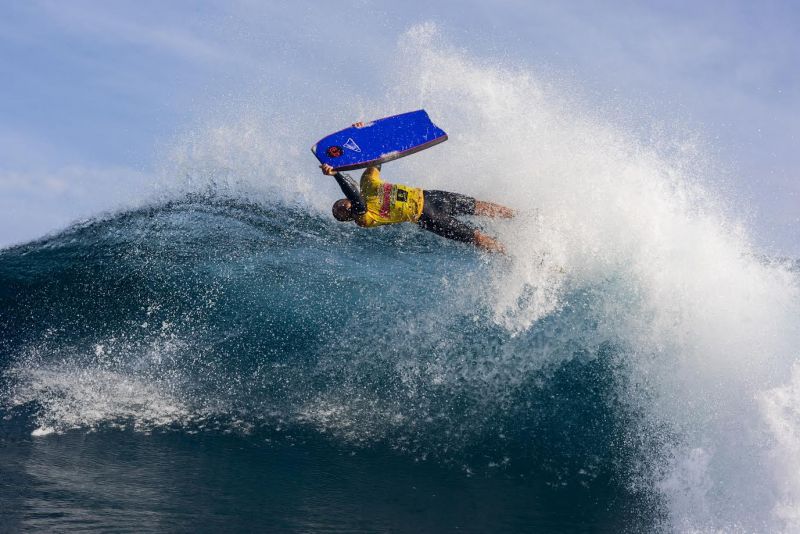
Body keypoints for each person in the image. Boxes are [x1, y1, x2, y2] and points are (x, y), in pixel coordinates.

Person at [320, 123, 514, 253]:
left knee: (479, 207)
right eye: (341, 214)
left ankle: (519, 216)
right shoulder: (364, 218)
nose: (343, 208)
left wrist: (360, 135)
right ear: (348, 219)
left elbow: (377, 156)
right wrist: (336, 175)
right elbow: (357, 200)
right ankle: (512, 255)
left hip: (429, 196)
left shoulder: (368, 184)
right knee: (477, 237)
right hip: (428, 218)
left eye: (339, 205)